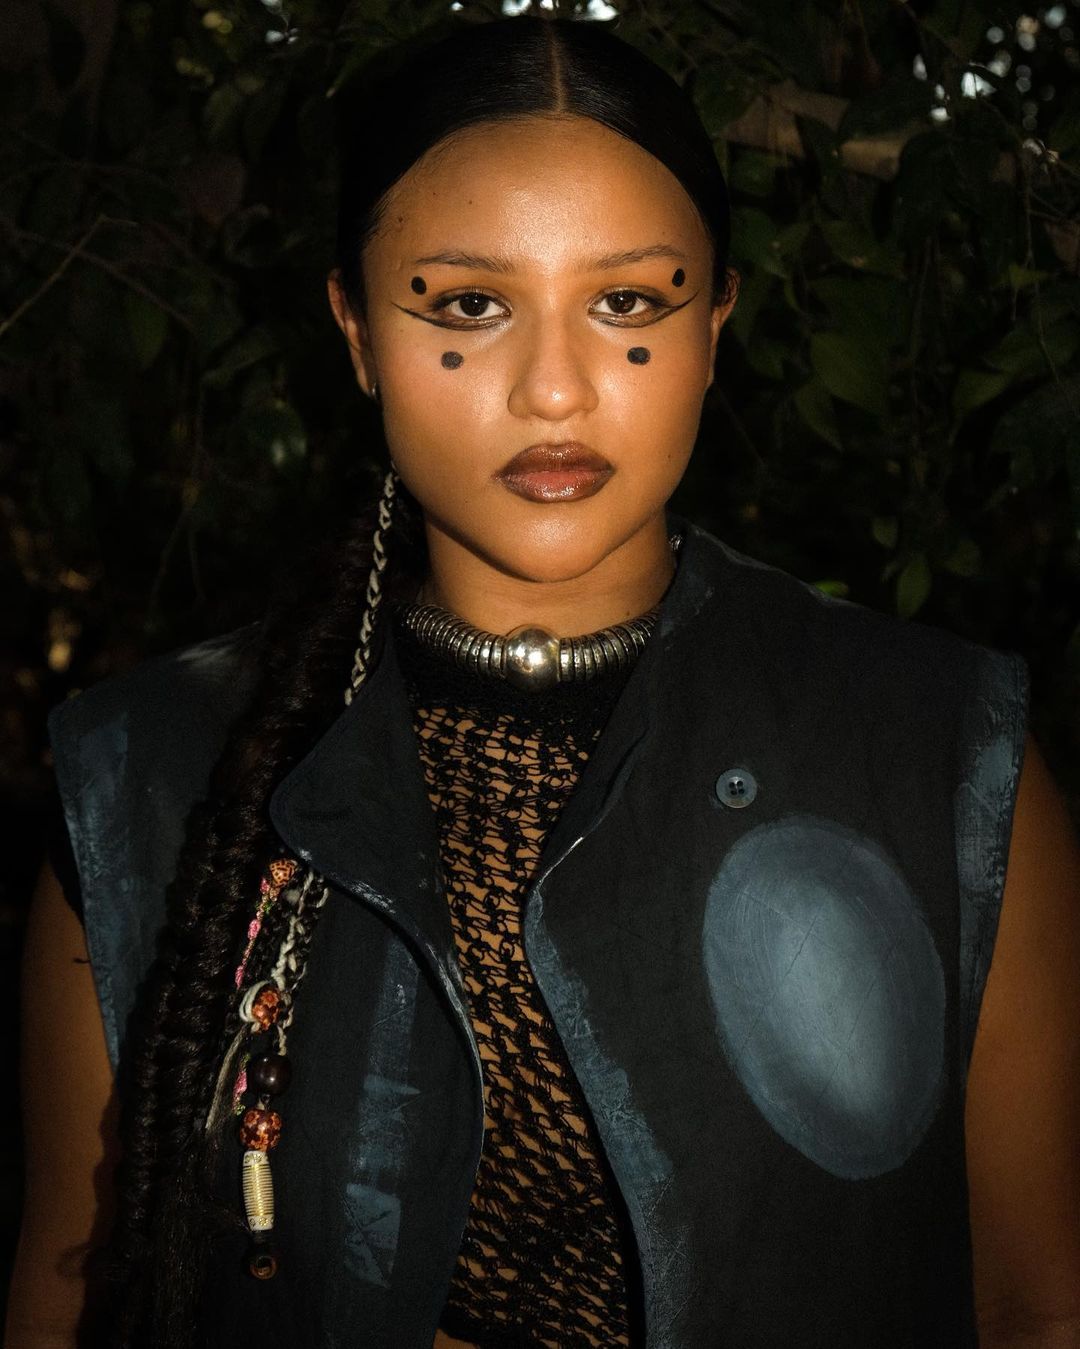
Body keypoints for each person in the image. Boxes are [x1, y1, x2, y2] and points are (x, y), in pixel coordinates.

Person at [7, 14, 1080, 1349]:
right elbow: (65, 1298)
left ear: (716, 324)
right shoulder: (147, 780)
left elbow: (1038, 1303)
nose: (555, 391)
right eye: (470, 305)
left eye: (628, 303)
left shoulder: (946, 757)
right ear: (355, 329)